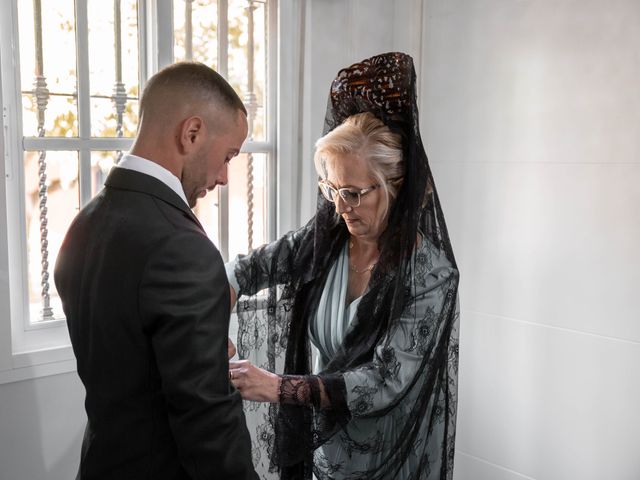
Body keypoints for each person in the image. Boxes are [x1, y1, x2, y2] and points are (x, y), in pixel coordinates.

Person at [226, 52, 460, 480]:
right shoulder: (328, 239)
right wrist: (211, 309)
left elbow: (384, 382)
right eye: (330, 188)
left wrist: (279, 387)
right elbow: (246, 270)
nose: (339, 206)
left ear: (397, 187)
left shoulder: (430, 274)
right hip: (328, 455)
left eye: (353, 192)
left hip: (390, 457)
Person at [54, 62, 258, 480]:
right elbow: (207, 422)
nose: (222, 176)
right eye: (227, 157)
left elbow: (127, 352)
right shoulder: (182, 247)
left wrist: (196, 352)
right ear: (193, 133)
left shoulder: (85, 223)